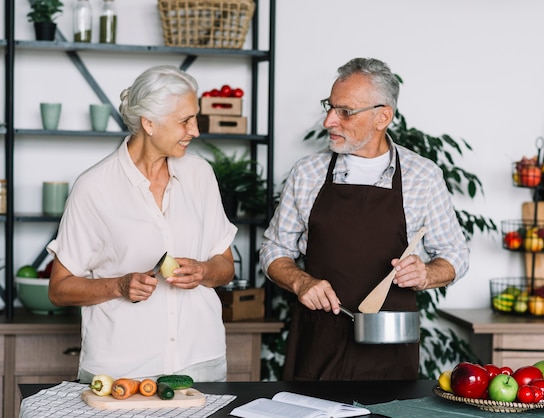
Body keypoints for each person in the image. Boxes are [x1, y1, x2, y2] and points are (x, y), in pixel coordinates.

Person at [259, 57, 470, 380]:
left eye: (345, 111)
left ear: (382, 116)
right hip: (318, 343)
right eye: (329, 107)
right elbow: (274, 250)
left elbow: (456, 255)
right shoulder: (308, 173)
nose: (329, 121)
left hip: (390, 346)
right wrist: (301, 281)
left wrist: (426, 273)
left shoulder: (423, 176)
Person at [47, 65, 238, 383]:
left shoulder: (200, 174)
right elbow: (59, 288)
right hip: (122, 371)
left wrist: (204, 271)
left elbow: (226, 266)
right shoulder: (94, 187)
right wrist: (118, 286)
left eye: (195, 118)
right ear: (149, 123)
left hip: (200, 361)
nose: (195, 131)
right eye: (185, 120)